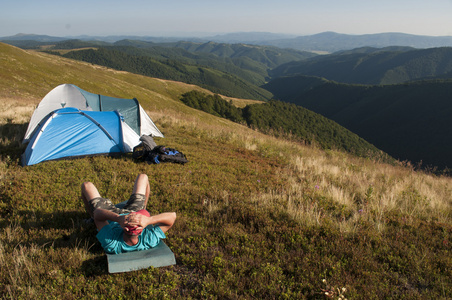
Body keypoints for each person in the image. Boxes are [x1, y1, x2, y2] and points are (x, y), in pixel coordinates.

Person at [81, 173, 176, 254]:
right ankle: (144, 207)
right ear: (141, 230)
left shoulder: (112, 243)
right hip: (134, 210)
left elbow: (97, 214)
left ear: (125, 228)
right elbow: (172, 216)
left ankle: (90, 218)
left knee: (86, 185)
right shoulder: (148, 240)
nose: (132, 217)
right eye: (136, 219)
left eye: (129, 219)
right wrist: (148, 220)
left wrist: (118, 218)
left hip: (110, 215)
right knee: (143, 176)